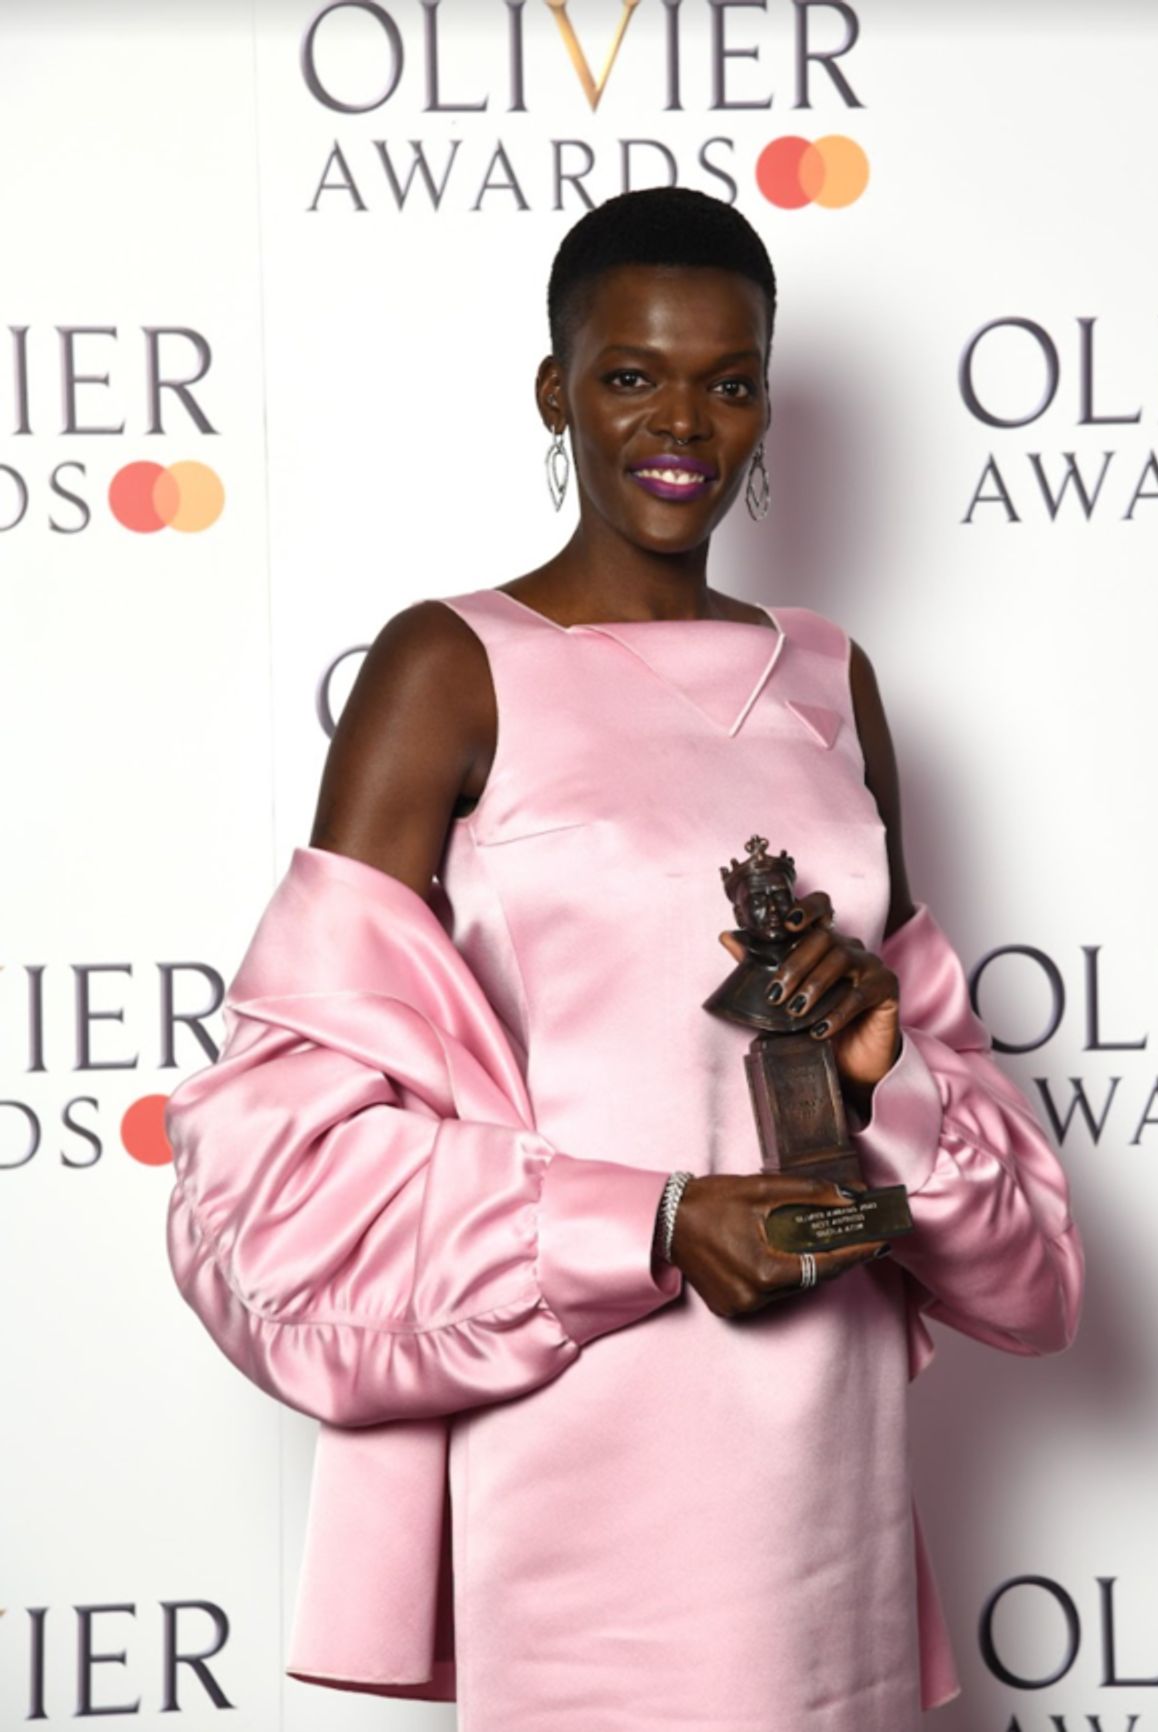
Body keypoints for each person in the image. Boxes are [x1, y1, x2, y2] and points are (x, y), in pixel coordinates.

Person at [165, 186, 1084, 1730]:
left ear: (767, 404)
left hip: (834, 1455)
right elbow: (266, 1183)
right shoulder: (450, 667)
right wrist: (654, 1222)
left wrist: (892, 1077)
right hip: (588, 1439)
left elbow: (1030, 1268)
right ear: (557, 388)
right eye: (630, 375)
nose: (683, 423)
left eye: (728, 383)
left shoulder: (832, 681)